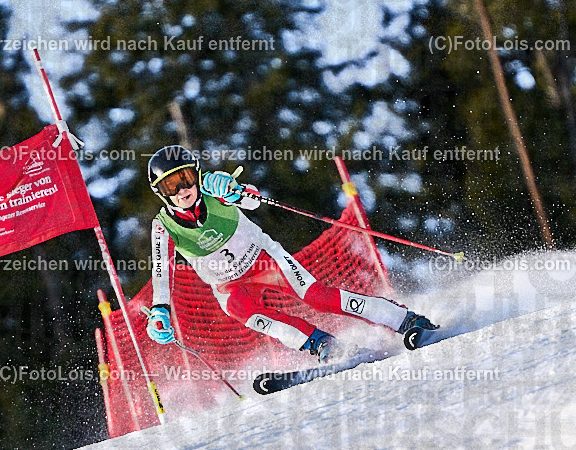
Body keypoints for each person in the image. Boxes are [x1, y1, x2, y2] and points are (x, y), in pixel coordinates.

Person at [144, 145, 437, 360]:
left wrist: (234, 191)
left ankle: (403, 319)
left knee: (316, 297)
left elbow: (253, 201)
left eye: (185, 178)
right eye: (171, 186)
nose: (182, 190)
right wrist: (160, 309)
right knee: (239, 309)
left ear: (195, 174)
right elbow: (161, 270)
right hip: (228, 284)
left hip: (263, 260)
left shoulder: (212, 187)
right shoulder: (164, 225)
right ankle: (322, 344)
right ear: (161, 193)